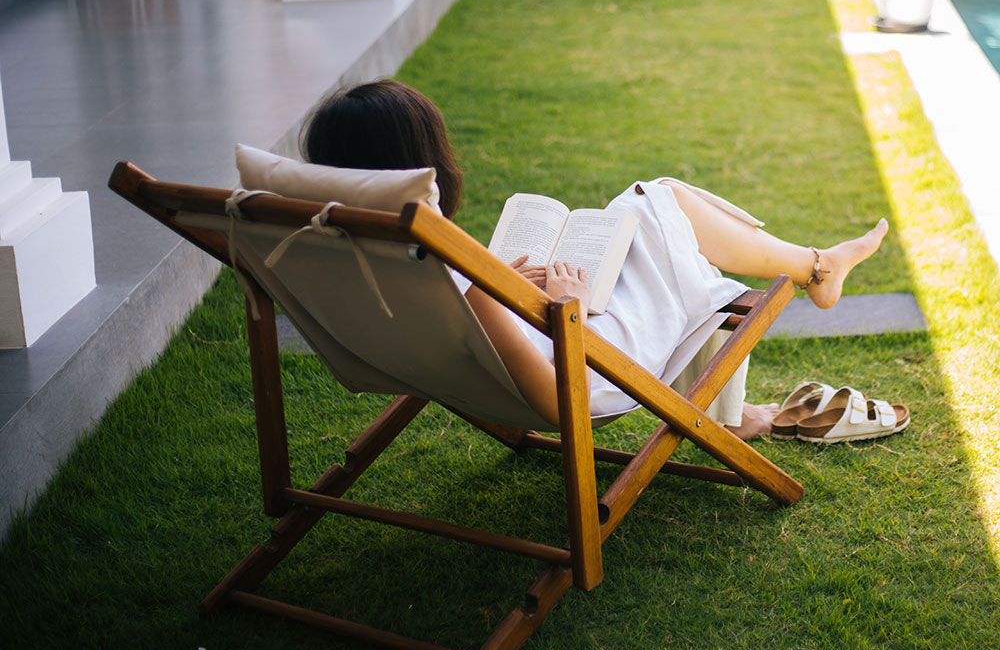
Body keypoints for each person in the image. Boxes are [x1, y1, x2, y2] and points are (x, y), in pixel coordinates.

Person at [301, 80, 888, 439]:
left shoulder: (352, 252)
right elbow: (562, 400)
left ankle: (747, 390)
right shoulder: (449, 277)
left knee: (639, 222)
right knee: (658, 205)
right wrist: (566, 307)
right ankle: (816, 267)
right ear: (427, 163)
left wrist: (499, 284)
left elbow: (467, 318)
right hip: (581, 364)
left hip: (505, 352)